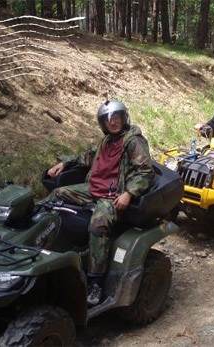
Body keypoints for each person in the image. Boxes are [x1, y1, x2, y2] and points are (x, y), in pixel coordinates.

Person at [46, 100, 155, 306]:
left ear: (124, 117)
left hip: (113, 195)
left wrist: (129, 193)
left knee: (98, 225)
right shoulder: (105, 142)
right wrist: (63, 163)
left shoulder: (133, 142)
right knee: (57, 194)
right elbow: (86, 157)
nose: (112, 122)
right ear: (102, 123)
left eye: (116, 117)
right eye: (107, 119)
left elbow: (146, 171)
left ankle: (95, 281)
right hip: (93, 188)